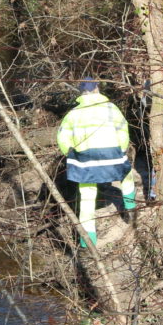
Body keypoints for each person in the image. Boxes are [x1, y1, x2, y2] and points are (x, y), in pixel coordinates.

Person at [57, 79, 136, 247]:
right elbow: (123, 129)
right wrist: (120, 149)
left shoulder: (74, 113)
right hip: (112, 153)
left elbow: (62, 137)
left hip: (86, 158)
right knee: (127, 176)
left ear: (81, 93)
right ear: (97, 89)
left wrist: (71, 154)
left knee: (86, 195)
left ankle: (88, 240)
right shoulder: (111, 109)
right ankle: (131, 208)